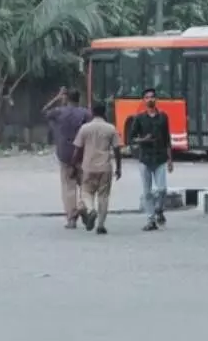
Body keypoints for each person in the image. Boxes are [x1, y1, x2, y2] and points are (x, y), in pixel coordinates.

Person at [43, 87, 93, 230]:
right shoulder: (85, 113)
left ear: (66, 99)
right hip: (82, 154)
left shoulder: (59, 112)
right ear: (79, 99)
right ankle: (82, 207)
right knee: (85, 186)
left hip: (64, 154)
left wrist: (57, 98)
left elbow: (44, 112)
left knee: (68, 187)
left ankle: (71, 218)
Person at [127, 87, 173, 231]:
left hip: (160, 158)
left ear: (156, 99)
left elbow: (167, 139)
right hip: (145, 159)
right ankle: (150, 220)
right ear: (143, 100)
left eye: (152, 97)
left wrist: (170, 159)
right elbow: (131, 139)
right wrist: (142, 140)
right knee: (147, 192)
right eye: (147, 97)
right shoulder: (139, 118)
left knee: (162, 189)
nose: (150, 99)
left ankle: (159, 209)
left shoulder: (163, 117)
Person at [73, 102, 122, 236]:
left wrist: (74, 165)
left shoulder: (85, 128)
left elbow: (77, 149)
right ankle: (101, 225)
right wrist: (119, 168)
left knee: (86, 192)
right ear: (104, 112)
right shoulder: (111, 128)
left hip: (88, 166)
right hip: (105, 167)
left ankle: (90, 209)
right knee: (104, 196)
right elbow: (117, 149)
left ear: (92, 113)